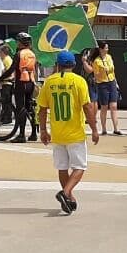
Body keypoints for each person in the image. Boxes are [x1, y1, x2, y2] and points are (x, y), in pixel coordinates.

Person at [38, 49, 99, 214]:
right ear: (73, 64)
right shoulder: (79, 81)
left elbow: (42, 109)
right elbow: (87, 106)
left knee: (62, 168)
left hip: (57, 133)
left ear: (57, 65)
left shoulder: (49, 82)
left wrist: (43, 130)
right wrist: (94, 129)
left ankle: (69, 198)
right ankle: (65, 193)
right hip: (75, 132)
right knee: (79, 167)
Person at [85, 42, 123, 136]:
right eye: (106, 48)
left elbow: (113, 71)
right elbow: (96, 74)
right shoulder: (96, 61)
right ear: (101, 49)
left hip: (112, 82)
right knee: (104, 107)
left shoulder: (109, 57)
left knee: (114, 106)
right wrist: (102, 71)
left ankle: (116, 128)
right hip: (102, 84)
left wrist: (116, 83)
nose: (107, 49)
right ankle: (104, 129)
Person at [10, 32, 38, 143]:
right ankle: (34, 133)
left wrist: (0, 79)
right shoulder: (32, 53)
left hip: (21, 83)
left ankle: (21, 135)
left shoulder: (19, 54)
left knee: (20, 108)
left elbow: (11, 69)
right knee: (30, 107)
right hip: (31, 82)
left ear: (20, 42)